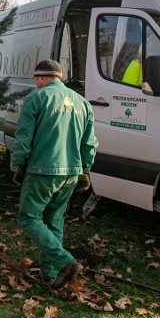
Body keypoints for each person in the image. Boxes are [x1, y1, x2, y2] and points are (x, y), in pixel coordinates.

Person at [10, 59, 98, 290]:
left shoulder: (35, 99)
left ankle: (65, 262)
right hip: (71, 172)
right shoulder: (82, 103)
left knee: (28, 217)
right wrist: (84, 170)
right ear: (59, 77)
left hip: (42, 170)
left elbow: (23, 139)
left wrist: (16, 167)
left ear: (40, 77)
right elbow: (89, 144)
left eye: (35, 79)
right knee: (54, 220)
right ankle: (50, 275)